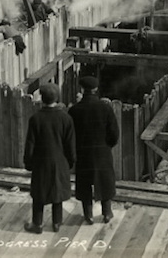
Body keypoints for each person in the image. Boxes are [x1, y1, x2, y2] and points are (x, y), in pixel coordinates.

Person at [23, 83, 76, 234]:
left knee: (39, 194)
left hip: (41, 162)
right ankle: (56, 223)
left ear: (42, 99)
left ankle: (37, 224)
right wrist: (71, 161)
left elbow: (30, 144)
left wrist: (28, 163)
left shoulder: (36, 119)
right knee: (57, 192)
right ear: (57, 98)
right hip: (60, 161)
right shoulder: (66, 119)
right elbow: (70, 144)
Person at [69, 76, 119, 225]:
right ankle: (107, 212)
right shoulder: (106, 108)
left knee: (84, 181)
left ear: (82, 89)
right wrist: (107, 145)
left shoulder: (74, 110)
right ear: (96, 89)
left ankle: (88, 214)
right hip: (102, 151)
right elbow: (114, 133)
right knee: (105, 180)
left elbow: (70, 134)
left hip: (83, 152)